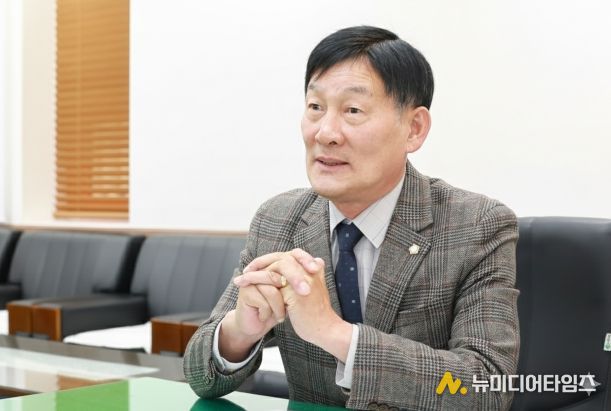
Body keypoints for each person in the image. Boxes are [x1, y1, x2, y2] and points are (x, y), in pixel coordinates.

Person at [184, 25, 519, 410]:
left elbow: (488, 388)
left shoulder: (476, 226)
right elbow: (199, 377)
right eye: (315, 107)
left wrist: (334, 333)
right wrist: (239, 331)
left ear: (413, 129)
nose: (325, 133)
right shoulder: (279, 220)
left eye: (353, 110)